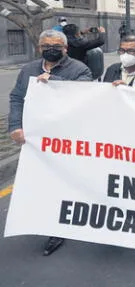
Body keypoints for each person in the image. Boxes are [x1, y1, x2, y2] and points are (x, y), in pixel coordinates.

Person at [9, 29, 92, 257]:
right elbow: (17, 97)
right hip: (37, 139)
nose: (51, 50)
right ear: (39, 48)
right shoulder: (28, 70)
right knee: (42, 180)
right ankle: (48, 220)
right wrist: (15, 126)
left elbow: (85, 95)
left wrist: (54, 82)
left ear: (65, 49)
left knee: (64, 179)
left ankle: (59, 226)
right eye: (46, 46)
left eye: (56, 46)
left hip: (66, 138)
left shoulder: (79, 69)